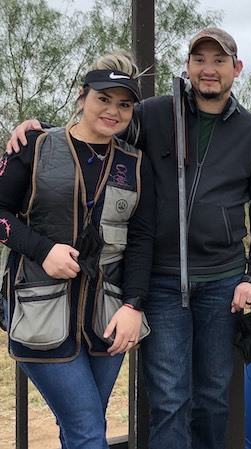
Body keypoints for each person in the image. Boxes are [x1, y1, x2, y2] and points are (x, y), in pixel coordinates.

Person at [6, 27, 251, 449]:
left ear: (236, 68)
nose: (208, 69)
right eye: (200, 60)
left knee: (213, 398)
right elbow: (94, 130)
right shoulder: (154, 113)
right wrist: (39, 130)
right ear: (187, 66)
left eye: (219, 61)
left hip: (221, 281)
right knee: (169, 399)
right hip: (161, 280)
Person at [0, 50, 155, 449]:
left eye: (124, 104)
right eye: (103, 98)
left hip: (107, 316)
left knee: (82, 426)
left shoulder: (135, 163)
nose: (113, 111)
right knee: (87, 430)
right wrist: (42, 250)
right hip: (39, 311)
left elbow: (141, 239)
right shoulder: (34, 145)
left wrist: (134, 305)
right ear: (82, 96)